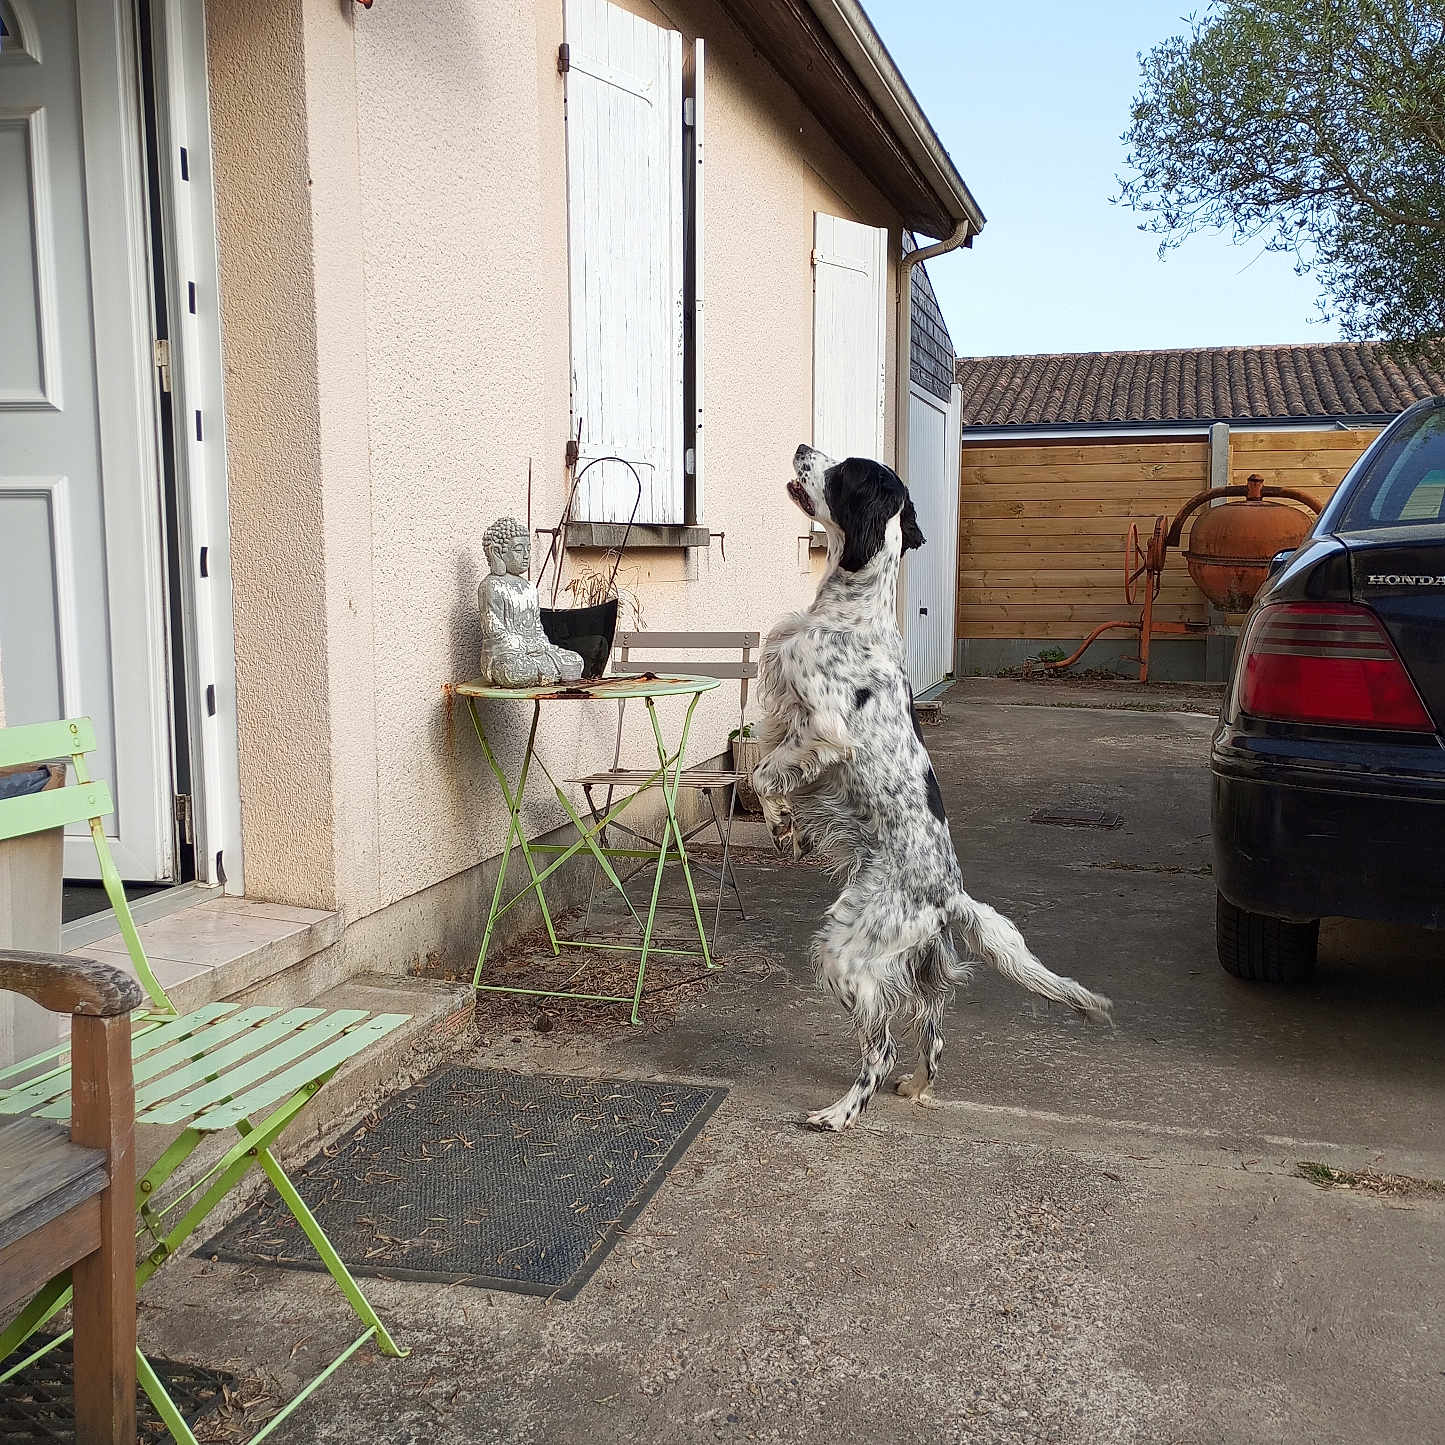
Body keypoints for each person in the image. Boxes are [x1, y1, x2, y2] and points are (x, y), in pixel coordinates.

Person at [477, 517, 585, 687]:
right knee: (516, 671)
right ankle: (540, 672)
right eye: (519, 550)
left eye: (528, 549)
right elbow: (493, 629)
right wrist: (523, 645)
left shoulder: (529, 588)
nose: (526, 555)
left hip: (535, 650)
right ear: (497, 552)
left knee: (575, 661)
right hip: (507, 653)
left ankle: (541, 672)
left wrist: (542, 644)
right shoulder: (491, 585)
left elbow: (536, 627)